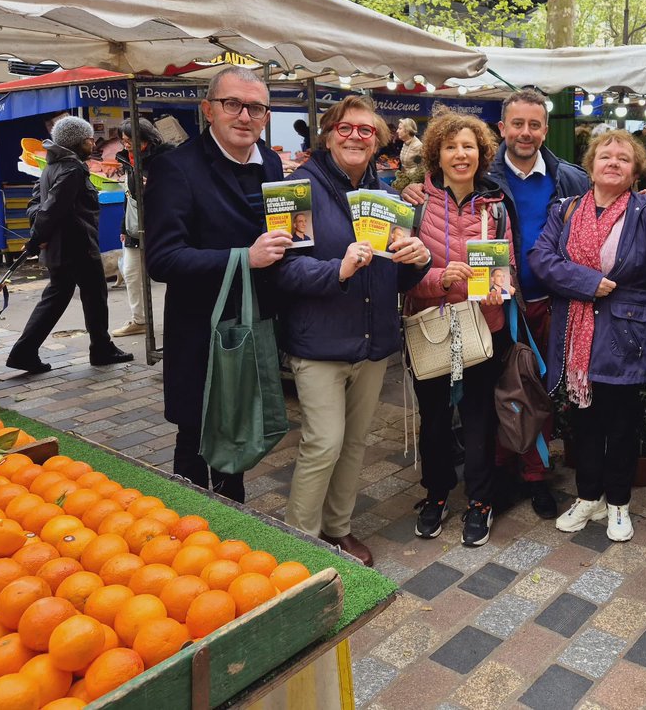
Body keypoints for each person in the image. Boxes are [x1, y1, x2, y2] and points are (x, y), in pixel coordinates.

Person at [401, 89, 589, 518]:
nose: (526, 132)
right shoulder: (468, 186)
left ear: (545, 128)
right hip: (453, 319)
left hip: (535, 305)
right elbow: (404, 267)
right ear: (502, 130)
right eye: (517, 124)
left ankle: (532, 477)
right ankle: (484, 482)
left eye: (534, 124)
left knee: (524, 392)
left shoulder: (567, 179)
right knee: (465, 409)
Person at [276, 96, 431, 566]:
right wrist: (336, 270)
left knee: (356, 442)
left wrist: (416, 263)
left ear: (380, 142)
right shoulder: (295, 189)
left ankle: (338, 530)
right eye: (346, 129)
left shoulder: (385, 196)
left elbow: (391, 275)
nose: (356, 137)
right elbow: (280, 272)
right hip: (320, 341)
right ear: (327, 134)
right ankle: (299, 543)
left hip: (372, 341)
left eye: (367, 131)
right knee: (323, 443)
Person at [146, 66, 293, 502]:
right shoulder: (177, 169)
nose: (245, 116)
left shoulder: (269, 161)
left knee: (241, 422)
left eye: (256, 108)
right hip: (202, 330)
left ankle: (233, 512)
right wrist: (243, 258)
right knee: (196, 432)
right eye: (233, 104)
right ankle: (189, 523)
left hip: (255, 321)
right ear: (208, 109)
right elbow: (162, 259)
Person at [531, 130, 646, 542]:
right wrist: (588, 281)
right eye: (605, 156)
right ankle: (588, 496)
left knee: (623, 423)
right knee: (584, 420)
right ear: (590, 165)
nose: (613, 163)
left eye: (623, 159)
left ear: (635, 171)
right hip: (576, 329)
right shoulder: (568, 208)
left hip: (627, 333)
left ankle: (618, 504)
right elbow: (542, 258)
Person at [406, 112, 516, 547]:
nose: (460, 154)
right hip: (431, 327)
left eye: (468, 146)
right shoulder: (415, 205)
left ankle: (480, 500)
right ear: (437, 153)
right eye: (451, 147)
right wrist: (440, 279)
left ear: (482, 153)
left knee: (478, 420)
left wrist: (498, 289)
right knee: (433, 421)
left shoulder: (497, 207)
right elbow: (400, 275)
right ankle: (435, 494)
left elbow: (508, 272)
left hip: (481, 328)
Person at [6, 117, 134, 374]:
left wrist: (39, 235)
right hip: (77, 245)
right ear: (76, 141)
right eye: (88, 139)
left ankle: (24, 351)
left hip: (61, 246)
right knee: (95, 295)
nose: (92, 142)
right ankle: (101, 349)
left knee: (56, 298)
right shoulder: (71, 169)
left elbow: (36, 205)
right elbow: (51, 209)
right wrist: (35, 238)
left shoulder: (52, 166)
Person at [112, 119, 172, 338]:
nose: (125, 144)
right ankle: (140, 320)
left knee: (172, 271)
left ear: (144, 137)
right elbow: (129, 197)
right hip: (135, 224)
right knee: (131, 271)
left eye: (129, 140)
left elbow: (179, 189)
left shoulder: (164, 157)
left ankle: (182, 318)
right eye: (123, 140)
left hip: (161, 223)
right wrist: (124, 226)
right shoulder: (128, 160)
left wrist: (156, 185)